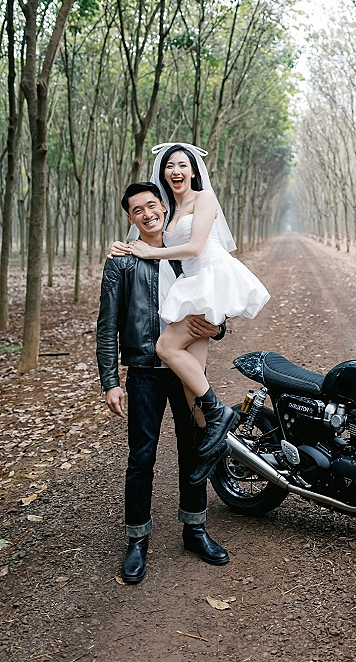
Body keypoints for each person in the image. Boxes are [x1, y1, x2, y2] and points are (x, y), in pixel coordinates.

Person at [96, 181, 231, 585]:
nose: (147, 213)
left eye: (152, 205)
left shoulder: (187, 255)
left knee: (195, 450)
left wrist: (218, 328)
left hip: (186, 369)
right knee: (142, 457)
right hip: (142, 373)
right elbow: (107, 327)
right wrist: (110, 381)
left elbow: (215, 308)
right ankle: (137, 540)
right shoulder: (121, 262)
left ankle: (195, 529)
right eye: (138, 210)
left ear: (163, 208)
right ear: (131, 218)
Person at [112, 143, 270, 463]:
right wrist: (128, 247)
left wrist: (150, 253)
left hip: (208, 278)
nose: (176, 171)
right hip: (191, 284)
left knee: (166, 348)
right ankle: (214, 451)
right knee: (191, 381)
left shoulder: (205, 198)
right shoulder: (168, 209)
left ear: (194, 170)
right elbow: (150, 233)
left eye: (182, 165)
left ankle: (219, 413)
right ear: (163, 173)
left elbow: (196, 248)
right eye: (170, 166)